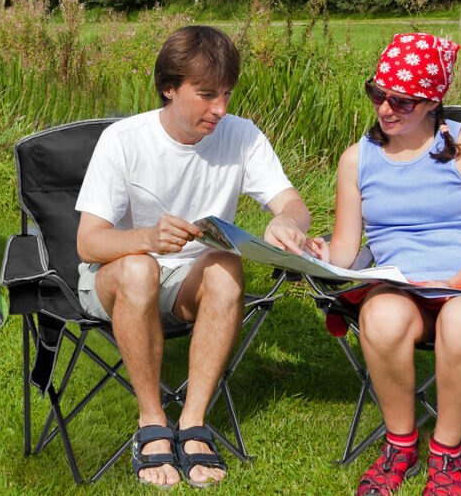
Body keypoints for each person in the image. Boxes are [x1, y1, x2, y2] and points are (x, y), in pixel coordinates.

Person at [305, 33, 461, 496]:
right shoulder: (357, 159)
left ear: (434, 102)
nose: (386, 108)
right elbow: (344, 249)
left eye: (403, 101)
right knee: (380, 314)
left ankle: (445, 457)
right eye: (378, 94)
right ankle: (400, 444)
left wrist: (453, 282)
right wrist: (316, 252)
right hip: (401, 286)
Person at [75, 25, 311, 488]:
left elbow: (293, 203)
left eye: (226, 94)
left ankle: (194, 422)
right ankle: (152, 422)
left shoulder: (241, 136)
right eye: (206, 95)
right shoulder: (124, 140)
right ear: (169, 88)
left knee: (226, 265)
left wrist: (288, 222)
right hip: (115, 280)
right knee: (140, 268)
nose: (220, 109)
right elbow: (88, 243)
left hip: (187, 284)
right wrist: (146, 237)